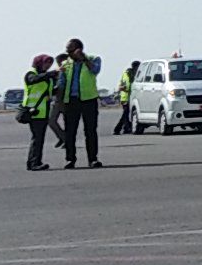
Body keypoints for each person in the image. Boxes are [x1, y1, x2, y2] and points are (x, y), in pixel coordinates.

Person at [59, 39, 104, 168]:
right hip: (71, 101)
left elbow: (95, 70)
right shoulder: (65, 63)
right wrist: (60, 101)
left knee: (90, 130)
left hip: (89, 99)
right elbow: (61, 83)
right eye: (67, 51)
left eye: (70, 50)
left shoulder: (94, 59)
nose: (68, 53)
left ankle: (92, 159)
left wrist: (84, 59)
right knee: (70, 132)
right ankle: (70, 159)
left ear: (79, 49)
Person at [21, 55, 54, 171]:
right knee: (37, 138)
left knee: (38, 138)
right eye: (46, 63)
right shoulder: (31, 73)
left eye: (50, 63)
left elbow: (49, 91)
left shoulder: (47, 77)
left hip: (43, 111)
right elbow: (32, 80)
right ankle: (35, 162)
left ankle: (33, 162)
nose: (48, 66)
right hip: (33, 111)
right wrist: (49, 75)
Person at [112, 61, 139, 136]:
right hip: (126, 97)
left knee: (126, 114)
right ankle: (118, 128)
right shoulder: (129, 74)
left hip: (129, 96)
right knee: (125, 114)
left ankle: (126, 128)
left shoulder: (128, 74)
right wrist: (123, 88)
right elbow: (122, 86)